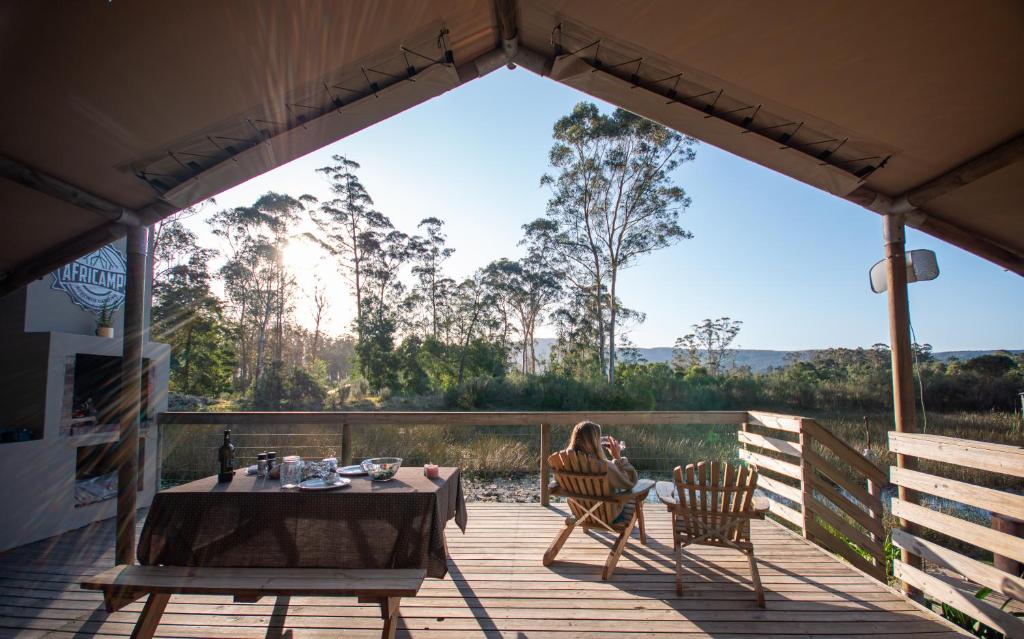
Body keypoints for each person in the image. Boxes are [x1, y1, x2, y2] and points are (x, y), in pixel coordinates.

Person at [563, 421, 638, 522]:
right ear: (594, 441)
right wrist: (617, 458)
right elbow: (630, 482)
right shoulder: (604, 466)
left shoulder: (566, 463)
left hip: (580, 512)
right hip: (608, 516)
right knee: (632, 497)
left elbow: (559, 483)